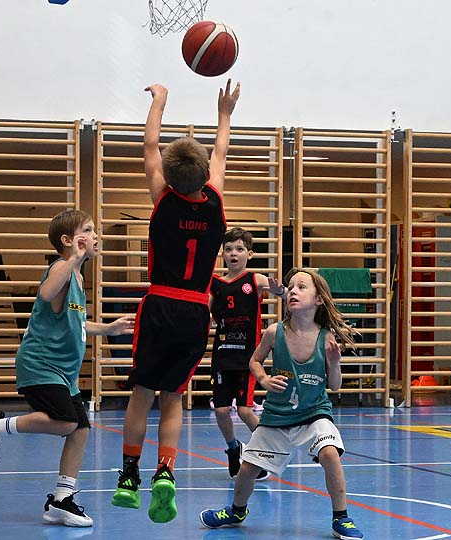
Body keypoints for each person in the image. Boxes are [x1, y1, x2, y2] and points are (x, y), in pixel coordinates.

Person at [112, 79, 241, 524]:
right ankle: (165, 471)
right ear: (204, 175)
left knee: (141, 394)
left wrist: (160, 101)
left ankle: (129, 475)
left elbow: (149, 145)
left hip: (160, 303)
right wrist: (224, 113)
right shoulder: (216, 202)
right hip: (196, 309)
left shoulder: (162, 199)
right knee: (173, 398)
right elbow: (221, 151)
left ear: (168, 176)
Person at [0, 210, 134, 527]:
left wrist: (107, 329)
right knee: (67, 422)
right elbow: (45, 292)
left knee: (80, 429)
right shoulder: (61, 268)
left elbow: (75, 322)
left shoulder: (77, 277)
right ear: (68, 240)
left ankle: (61, 500)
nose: (96, 236)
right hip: (41, 364)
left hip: (63, 373)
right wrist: (74, 258)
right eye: (88, 230)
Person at [200, 268, 365, 540]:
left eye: (301, 287)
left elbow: (335, 386)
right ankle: (236, 511)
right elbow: (255, 361)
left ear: (318, 300)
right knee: (247, 469)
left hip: (314, 413)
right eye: (291, 287)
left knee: (329, 454)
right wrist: (263, 379)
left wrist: (335, 363)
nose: (293, 291)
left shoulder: (326, 338)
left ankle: (341, 517)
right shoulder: (274, 332)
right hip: (277, 415)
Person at [209, 227, 286, 478]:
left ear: (249, 254)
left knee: (244, 410)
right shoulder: (215, 284)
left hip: (248, 359)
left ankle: (265, 452)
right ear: (223, 254)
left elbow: (283, 293)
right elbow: (203, 314)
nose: (234, 253)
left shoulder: (255, 280)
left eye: (240, 249)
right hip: (222, 356)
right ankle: (234, 449)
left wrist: (280, 291)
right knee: (221, 410)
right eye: (229, 249)